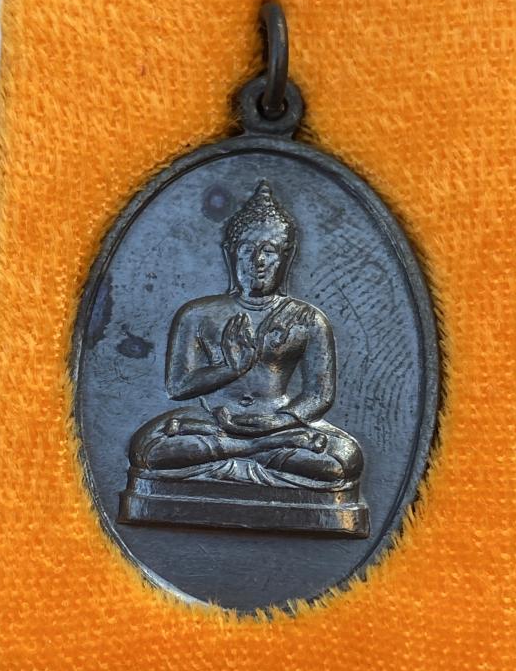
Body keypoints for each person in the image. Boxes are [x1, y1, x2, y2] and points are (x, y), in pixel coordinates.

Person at [128, 180, 363, 485]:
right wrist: (229, 369)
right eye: (248, 250)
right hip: (212, 421)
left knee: (344, 459)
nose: (258, 262)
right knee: (146, 449)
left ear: (287, 257)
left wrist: (279, 421)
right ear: (231, 254)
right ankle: (254, 450)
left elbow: (319, 395)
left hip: (280, 423)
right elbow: (178, 386)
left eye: (269, 251)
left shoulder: (308, 319)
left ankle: (240, 454)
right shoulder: (197, 314)